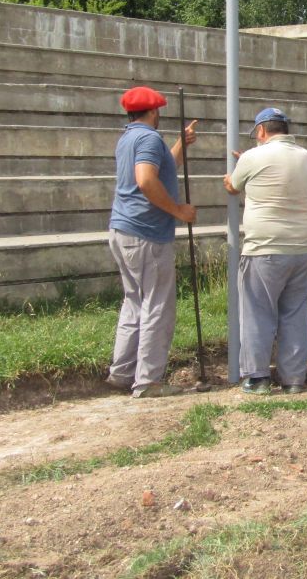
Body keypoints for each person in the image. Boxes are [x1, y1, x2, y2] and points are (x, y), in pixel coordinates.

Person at [107, 86, 198, 398]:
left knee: (134, 303)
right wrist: (178, 211)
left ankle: (122, 373)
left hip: (123, 231)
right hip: (147, 234)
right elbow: (147, 180)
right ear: (154, 112)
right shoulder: (148, 138)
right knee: (157, 305)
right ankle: (148, 381)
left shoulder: (128, 139)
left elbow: (160, 170)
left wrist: (180, 145)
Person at [223, 108, 307, 395]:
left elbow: (233, 185)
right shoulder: (305, 156)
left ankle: (257, 377)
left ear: (261, 131)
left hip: (265, 248)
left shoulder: (253, 157)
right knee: (295, 314)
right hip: (303, 248)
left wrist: (242, 169)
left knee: (257, 313)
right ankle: (294, 381)